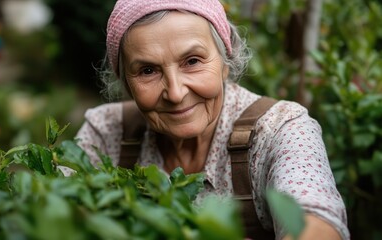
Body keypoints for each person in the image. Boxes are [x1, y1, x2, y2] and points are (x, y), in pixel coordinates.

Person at [67, 0, 349, 239]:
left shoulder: (280, 128)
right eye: (148, 70)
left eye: (192, 61)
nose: (176, 93)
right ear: (126, 83)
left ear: (225, 62)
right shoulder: (106, 132)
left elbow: (316, 222)